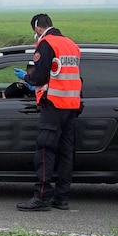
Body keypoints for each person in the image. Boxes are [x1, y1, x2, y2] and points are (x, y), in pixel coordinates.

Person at [15, 14, 82, 211]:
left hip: (53, 104)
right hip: (71, 105)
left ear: (37, 27)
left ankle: (42, 197)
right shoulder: (71, 44)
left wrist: (27, 77)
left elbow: (40, 76)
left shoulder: (46, 43)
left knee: (45, 150)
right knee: (66, 152)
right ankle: (62, 198)